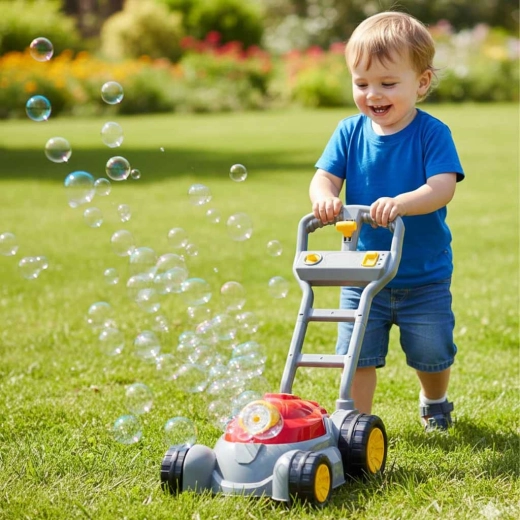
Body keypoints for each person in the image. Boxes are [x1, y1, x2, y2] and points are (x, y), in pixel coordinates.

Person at [309, 11, 464, 431]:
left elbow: (442, 187)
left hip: (423, 275)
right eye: (362, 84)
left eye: (388, 84)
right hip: (362, 273)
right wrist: (325, 198)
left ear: (422, 83)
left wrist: (401, 203)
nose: (373, 94)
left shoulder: (432, 133)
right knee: (356, 354)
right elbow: (324, 177)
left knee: (431, 351)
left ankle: (435, 401)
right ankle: (353, 423)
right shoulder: (349, 132)